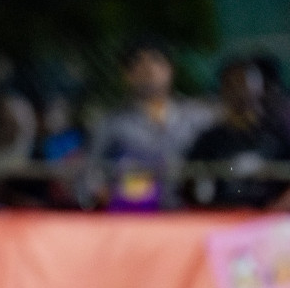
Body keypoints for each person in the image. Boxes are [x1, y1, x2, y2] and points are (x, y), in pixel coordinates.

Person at [85, 40, 215, 211]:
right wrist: (105, 193)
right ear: (126, 75)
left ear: (171, 69)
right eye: (138, 63)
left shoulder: (201, 117)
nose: (149, 69)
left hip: (191, 216)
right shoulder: (111, 124)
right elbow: (90, 175)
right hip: (135, 219)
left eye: (156, 60)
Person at [186, 58, 290, 209]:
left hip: (271, 220)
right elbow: (192, 188)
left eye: (245, 82)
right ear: (223, 90)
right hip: (221, 220)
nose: (239, 89)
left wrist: (278, 208)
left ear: (260, 87)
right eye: (232, 83)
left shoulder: (279, 136)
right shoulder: (208, 140)